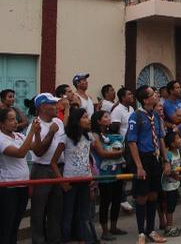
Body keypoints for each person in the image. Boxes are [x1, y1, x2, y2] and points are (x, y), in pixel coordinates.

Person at [127, 85, 170, 244]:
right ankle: (141, 233)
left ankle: (151, 229)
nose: (156, 95)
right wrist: (138, 166)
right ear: (145, 100)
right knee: (142, 197)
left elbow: (160, 138)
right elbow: (132, 142)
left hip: (155, 158)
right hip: (142, 158)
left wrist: (166, 161)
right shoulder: (136, 116)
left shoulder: (157, 116)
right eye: (153, 94)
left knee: (154, 195)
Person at [51, 107, 93, 243]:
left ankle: (82, 238)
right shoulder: (66, 138)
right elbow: (53, 162)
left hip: (86, 180)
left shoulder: (89, 136)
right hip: (70, 181)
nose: (88, 120)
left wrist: (91, 176)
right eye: (85, 117)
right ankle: (65, 238)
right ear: (77, 120)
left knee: (83, 213)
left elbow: (88, 158)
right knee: (68, 213)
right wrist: (62, 181)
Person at [0, 107, 40, 244]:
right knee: (7, 224)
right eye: (11, 119)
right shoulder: (1, 139)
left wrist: (38, 133)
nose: (15, 122)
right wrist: (32, 132)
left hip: (23, 185)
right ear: (2, 123)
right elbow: (20, 153)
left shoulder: (19, 135)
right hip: (8, 187)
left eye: (16, 119)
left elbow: (35, 147)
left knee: (16, 222)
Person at [30, 93, 65, 244]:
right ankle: (38, 240)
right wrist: (51, 132)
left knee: (56, 210)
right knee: (38, 210)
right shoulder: (35, 125)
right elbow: (38, 151)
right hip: (42, 170)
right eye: (52, 104)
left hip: (59, 169)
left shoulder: (58, 121)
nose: (57, 106)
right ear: (43, 107)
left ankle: (54, 240)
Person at [91, 110, 127, 241]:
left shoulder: (109, 134)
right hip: (103, 173)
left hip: (116, 170)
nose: (109, 118)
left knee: (117, 199)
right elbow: (102, 153)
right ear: (98, 121)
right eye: (105, 117)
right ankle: (105, 230)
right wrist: (120, 153)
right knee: (106, 201)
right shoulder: (94, 135)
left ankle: (114, 226)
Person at [160, 131, 181, 237]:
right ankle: (169, 227)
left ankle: (166, 224)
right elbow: (166, 171)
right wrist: (174, 175)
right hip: (167, 185)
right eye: (178, 138)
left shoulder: (178, 152)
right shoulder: (168, 154)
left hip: (174, 184)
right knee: (169, 206)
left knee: (170, 206)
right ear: (172, 144)